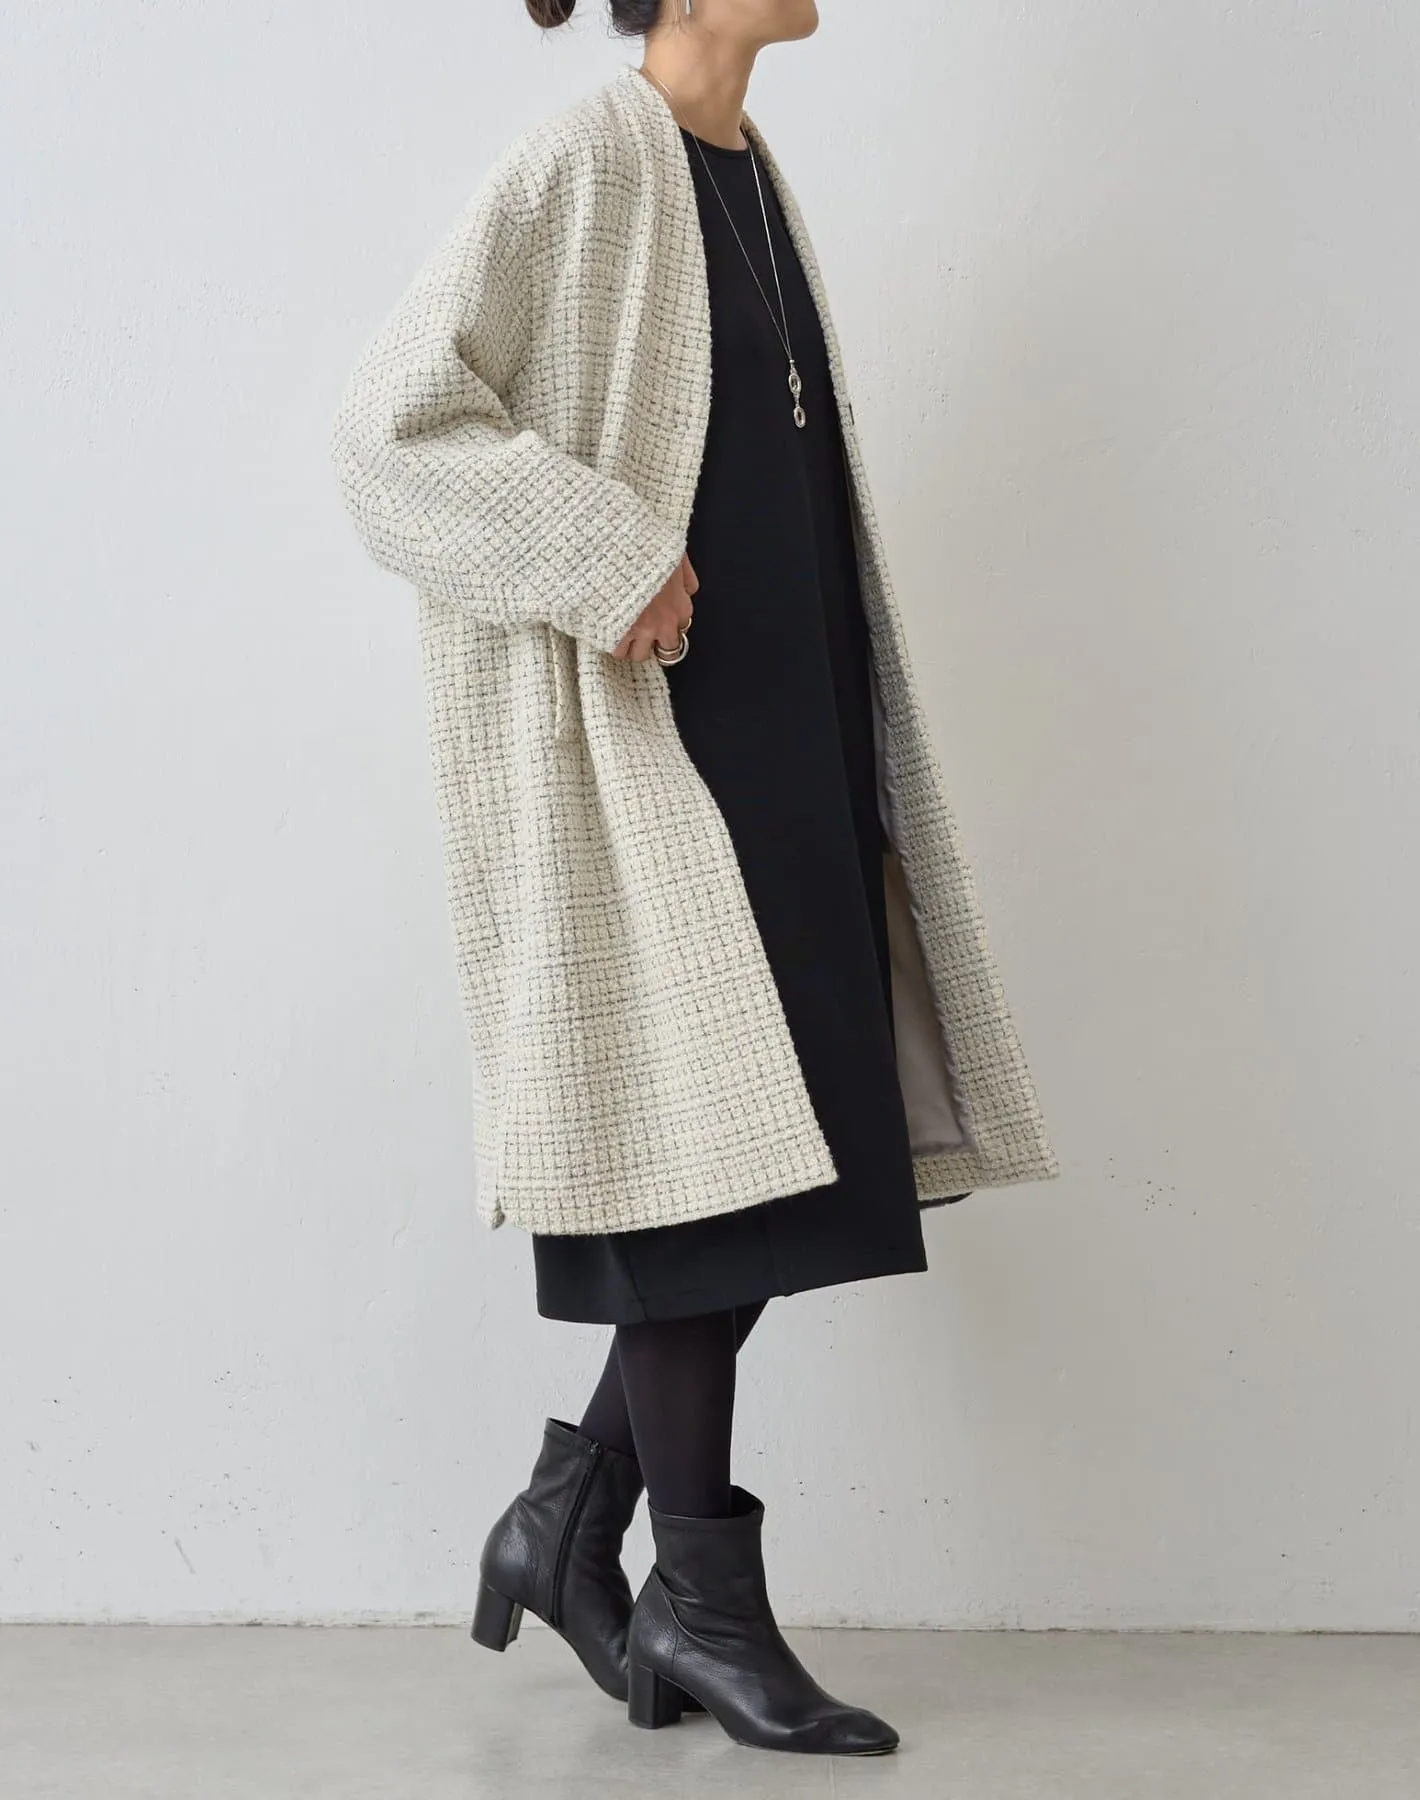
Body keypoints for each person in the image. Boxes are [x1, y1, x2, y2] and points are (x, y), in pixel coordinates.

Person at [330, 0, 1057, 1759]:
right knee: (690, 1184)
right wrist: (600, 553)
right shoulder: (589, 157)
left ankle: (569, 1523)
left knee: (761, 1159)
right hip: (673, 750)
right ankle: (705, 1609)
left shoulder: (737, 164)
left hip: (789, 729)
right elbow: (387, 431)